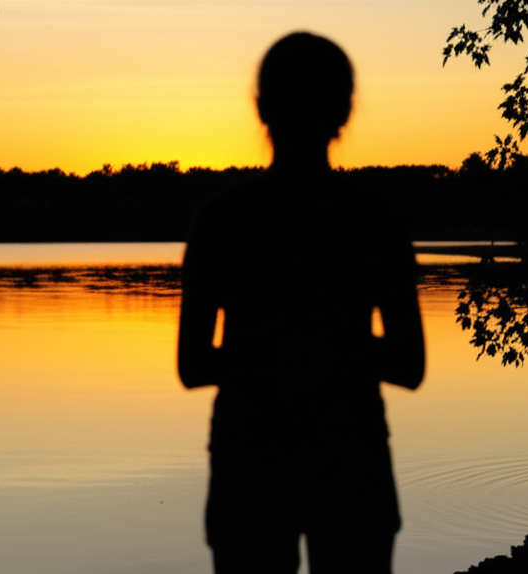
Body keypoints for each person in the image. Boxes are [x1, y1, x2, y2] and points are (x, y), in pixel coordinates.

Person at [177, 31, 425, 574]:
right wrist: (336, 348)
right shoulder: (374, 221)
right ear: (345, 111)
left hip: (252, 461)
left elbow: (194, 366)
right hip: (350, 459)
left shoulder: (221, 222)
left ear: (261, 108)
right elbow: (408, 365)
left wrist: (268, 352)